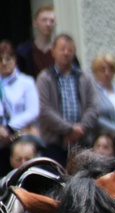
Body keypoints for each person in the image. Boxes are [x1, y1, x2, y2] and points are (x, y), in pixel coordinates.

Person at [36, 34, 98, 167]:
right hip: (55, 145)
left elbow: (93, 107)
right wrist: (69, 129)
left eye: (70, 50)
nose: (66, 53)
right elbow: (44, 109)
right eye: (62, 49)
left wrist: (80, 129)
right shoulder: (44, 78)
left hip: (82, 144)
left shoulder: (85, 77)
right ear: (53, 52)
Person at [0, 40, 40, 176]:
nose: (4, 63)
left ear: (15, 59)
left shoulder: (26, 82)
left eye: (8, 58)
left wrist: (9, 128)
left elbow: (32, 111)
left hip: (21, 138)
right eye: (0, 59)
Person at [15, 6, 59, 78]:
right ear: (35, 22)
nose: (48, 24)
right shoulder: (23, 52)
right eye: (44, 20)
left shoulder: (63, 50)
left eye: (52, 21)